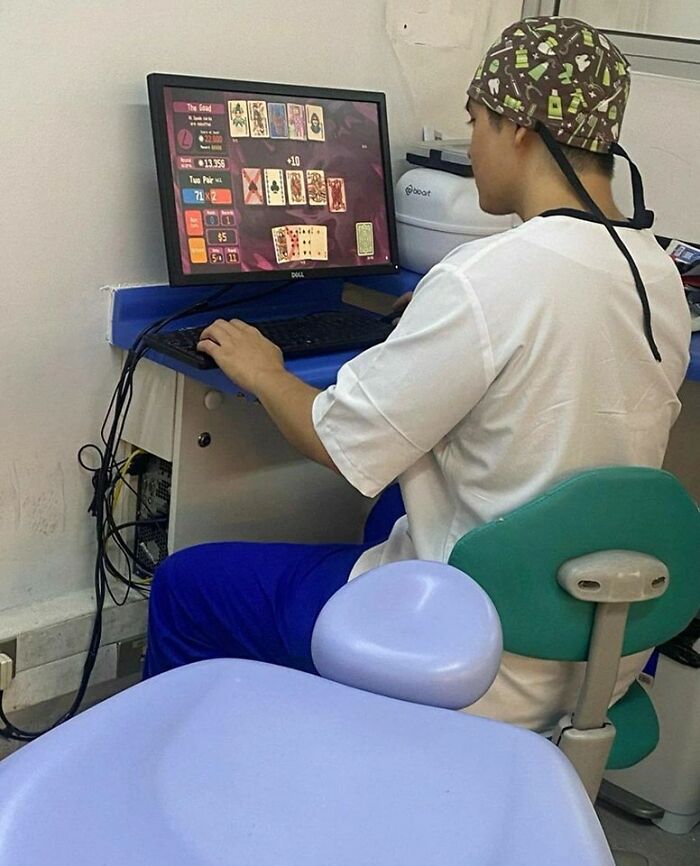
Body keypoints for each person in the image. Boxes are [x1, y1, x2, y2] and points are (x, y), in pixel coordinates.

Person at [143, 16, 690, 732]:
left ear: (519, 128)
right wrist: (439, 323)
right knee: (386, 512)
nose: (472, 145)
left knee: (186, 587)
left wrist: (265, 367)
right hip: (599, 645)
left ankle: (194, 783)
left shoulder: (487, 277)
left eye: (475, 121)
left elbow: (335, 440)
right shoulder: (657, 270)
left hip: (478, 657)